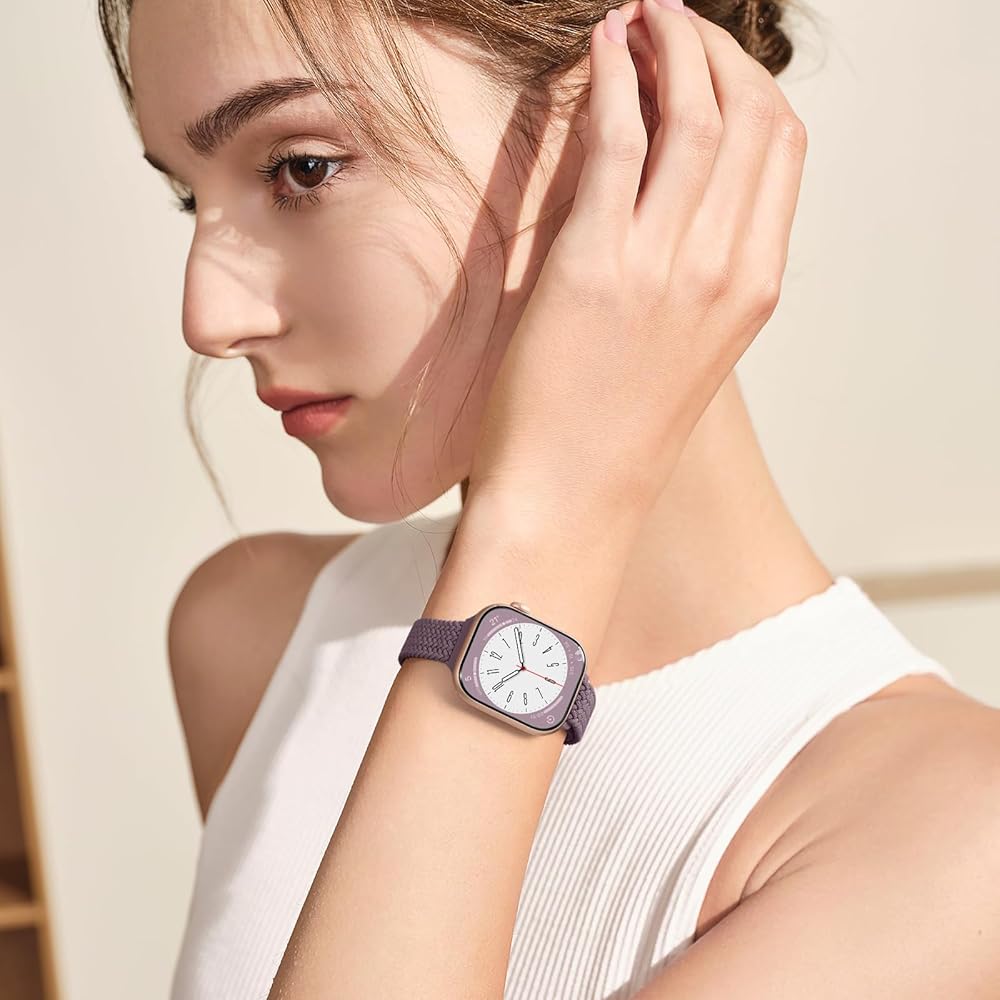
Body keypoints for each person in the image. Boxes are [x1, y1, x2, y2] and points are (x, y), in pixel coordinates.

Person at [103, 0, 1000, 995]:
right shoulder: (255, 638)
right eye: (189, 196)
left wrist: (542, 527)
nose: (207, 317)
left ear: (640, 107)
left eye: (300, 169)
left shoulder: (951, 843)